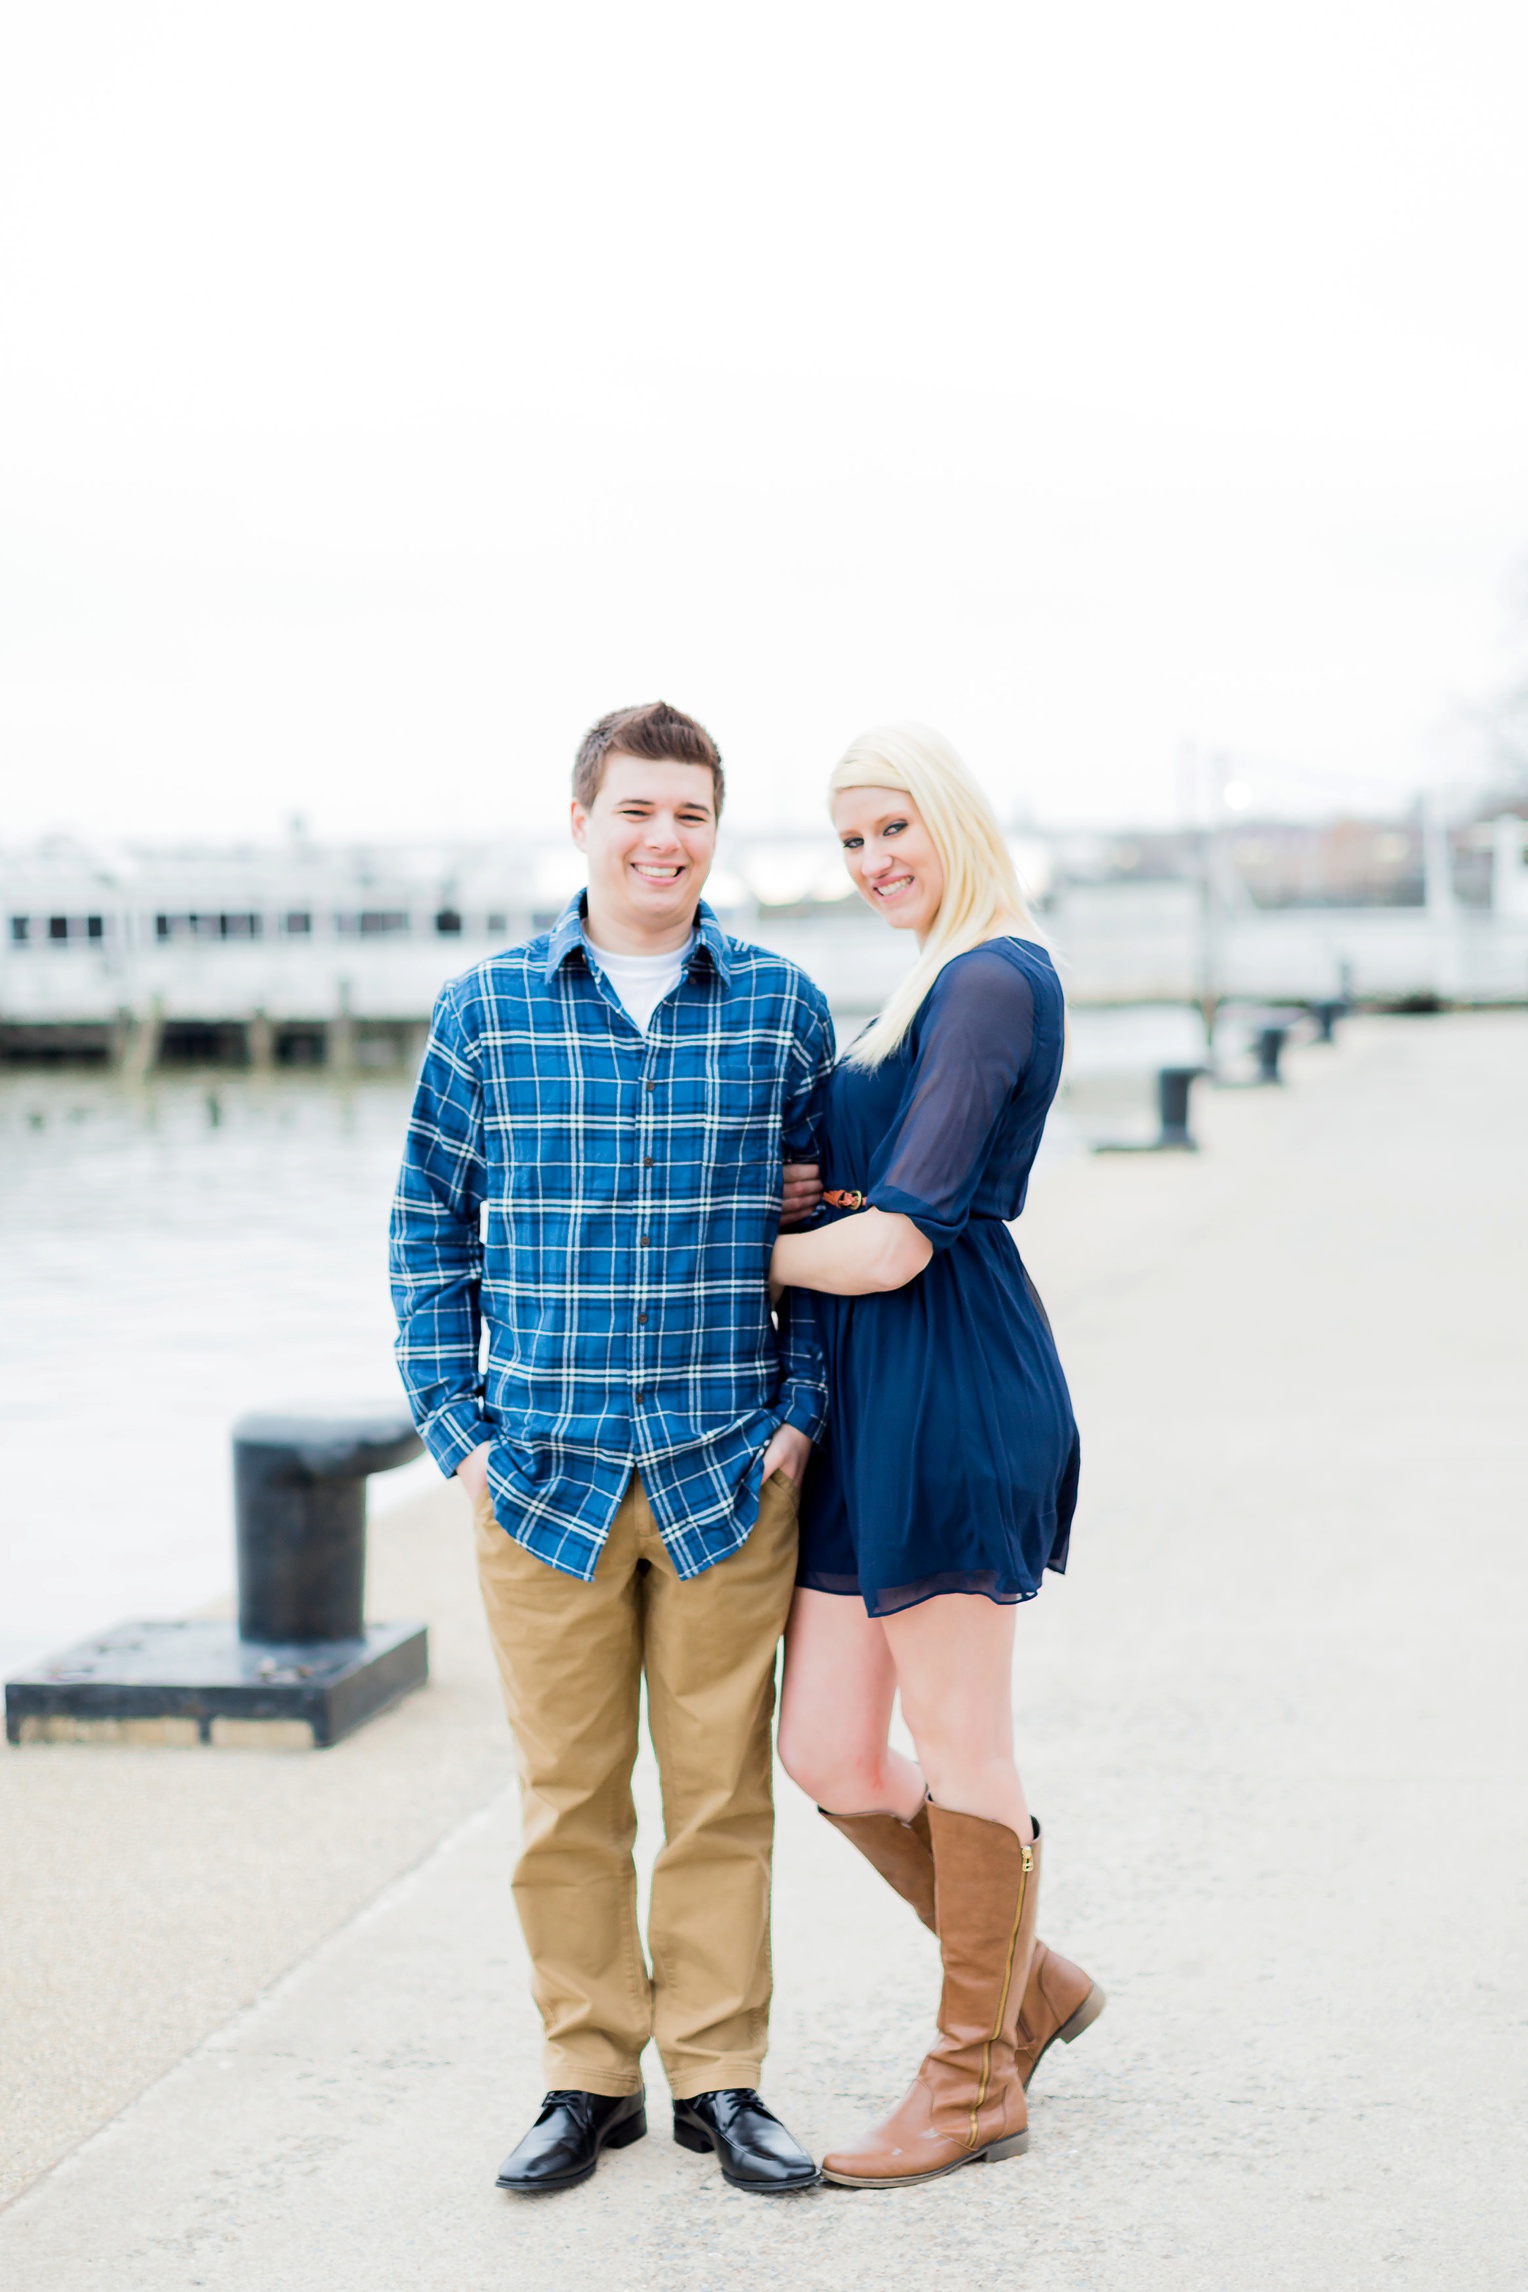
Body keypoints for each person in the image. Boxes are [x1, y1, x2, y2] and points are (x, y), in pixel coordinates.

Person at [390, 700, 832, 2196]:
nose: (664, 840)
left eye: (692, 815)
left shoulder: (780, 1007)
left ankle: (720, 2078)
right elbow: (423, 1233)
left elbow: (813, 1231)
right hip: (541, 1475)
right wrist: (456, 1430)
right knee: (566, 1794)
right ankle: (589, 2075)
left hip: (727, 1467)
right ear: (582, 818)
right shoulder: (486, 1009)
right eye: (638, 811)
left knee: (722, 1793)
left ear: (717, 831)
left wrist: (799, 1417)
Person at [769, 722, 1104, 2191]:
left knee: (964, 1739)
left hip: (951, 1382)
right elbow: (851, 1194)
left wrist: (717, 1262)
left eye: (894, 829)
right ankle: (1028, 1984)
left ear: (955, 821)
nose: (871, 863)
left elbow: (901, 1241)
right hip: (866, 1392)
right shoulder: (921, 985)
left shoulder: (991, 976)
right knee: (827, 1747)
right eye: (849, 841)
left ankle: (975, 2078)